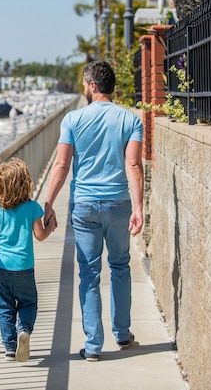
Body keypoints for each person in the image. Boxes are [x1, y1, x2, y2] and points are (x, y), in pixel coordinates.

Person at [44, 60, 144, 362]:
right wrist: (139, 207)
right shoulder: (130, 120)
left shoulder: (73, 120)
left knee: (88, 273)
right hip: (118, 203)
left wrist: (47, 204)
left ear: (92, 86)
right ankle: (123, 333)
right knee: (120, 266)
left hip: (85, 205)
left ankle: (93, 345)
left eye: (86, 84)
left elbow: (61, 165)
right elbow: (134, 165)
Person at [0, 157, 57, 362]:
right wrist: (51, 226)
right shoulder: (32, 208)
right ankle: (24, 329)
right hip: (23, 267)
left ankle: (10, 348)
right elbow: (40, 235)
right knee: (28, 303)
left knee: (4, 306)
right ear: (25, 184)